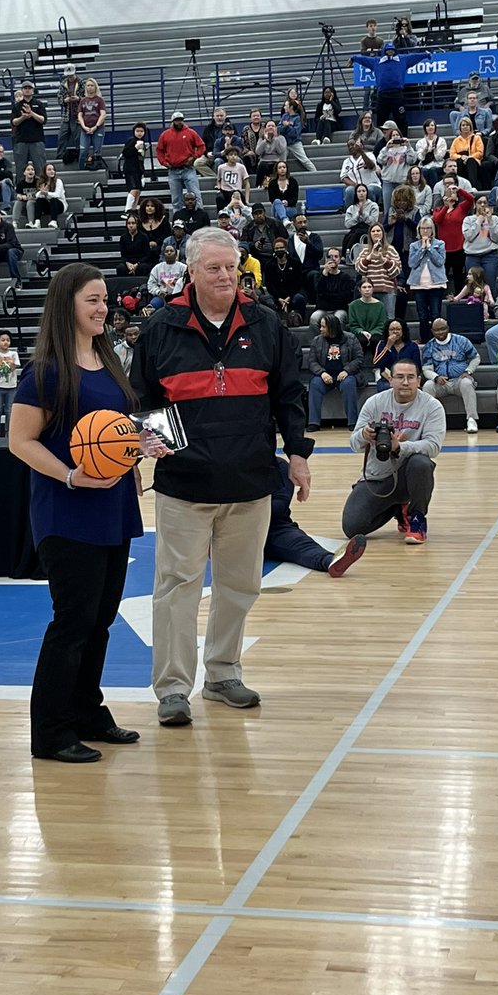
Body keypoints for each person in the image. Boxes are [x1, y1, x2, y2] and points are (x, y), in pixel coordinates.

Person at [130, 227, 313, 727]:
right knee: (176, 587)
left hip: (251, 482)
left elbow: (289, 395)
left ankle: (223, 674)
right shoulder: (160, 329)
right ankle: (172, 688)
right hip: (183, 485)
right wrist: (154, 440)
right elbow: (143, 400)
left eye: (231, 267)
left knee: (239, 585)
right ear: (190, 272)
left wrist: (297, 454)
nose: (226, 276)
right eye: (214, 268)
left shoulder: (266, 324)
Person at [9, 262, 169, 762]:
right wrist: (72, 476)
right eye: (93, 301)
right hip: (67, 510)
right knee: (72, 621)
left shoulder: (110, 360)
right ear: (67, 306)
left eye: (105, 300)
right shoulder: (46, 371)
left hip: (114, 506)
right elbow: (20, 442)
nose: (104, 308)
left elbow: (115, 430)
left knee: (100, 620)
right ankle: (50, 732)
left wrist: (141, 448)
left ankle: (86, 711)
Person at [342, 359, 446, 545]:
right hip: (377, 476)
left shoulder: (432, 406)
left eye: (410, 377)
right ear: (391, 380)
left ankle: (417, 519)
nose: (405, 382)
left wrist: (399, 447)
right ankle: (398, 508)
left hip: (409, 474)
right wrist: (365, 435)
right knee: (352, 527)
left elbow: (433, 447)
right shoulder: (374, 403)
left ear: (419, 380)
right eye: (399, 377)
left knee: (421, 463)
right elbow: (353, 445)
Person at [266, 458, 367, 577]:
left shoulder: (280, 466)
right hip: (240, 528)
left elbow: (280, 506)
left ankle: (332, 561)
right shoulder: (238, 469)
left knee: (301, 544)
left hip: (275, 526)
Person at [421, 316, 481, 434]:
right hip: (441, 382)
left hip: (459, 380)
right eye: (437, 330)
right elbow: (426, 369)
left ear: (448, 328)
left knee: (467, 383)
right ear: (432, 331)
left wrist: (468, 371)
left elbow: (476, 358)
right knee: (427, 386)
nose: (440, 332)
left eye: (443, 329)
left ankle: (472, 419)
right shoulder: (429, 346)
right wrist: (435, 377)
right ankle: (428, 422)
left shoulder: (461, 340)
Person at [306, 313, 365, 431]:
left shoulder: (351, 338)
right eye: (320, 326)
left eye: (323, 327)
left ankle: (352, 421)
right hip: (325, 375)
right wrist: (322, 372)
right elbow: (312, 361)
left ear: (332, 327)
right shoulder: (317, 340)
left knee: (348, 384)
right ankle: (313, 422)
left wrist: (346, 370)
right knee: (315, 383)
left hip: (345, 375)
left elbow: (359, 359)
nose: (321, 329)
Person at [349, 41, 424, 133]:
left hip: (397, 94)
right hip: (382, 95)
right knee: (381, 119)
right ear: (384, 51)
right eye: (388, 50)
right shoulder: (376, 61)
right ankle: (381, 141)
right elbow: (364, 59)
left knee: (401, 118)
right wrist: (353, 58)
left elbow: (415, 57)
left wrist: (426, 55)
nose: (390, 52)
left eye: (392, 50)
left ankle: (403, 139)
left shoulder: (402, 60)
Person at [407, 216, 448, 342]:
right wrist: (422, 249)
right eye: (423, 228)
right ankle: (425, 340)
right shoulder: (414, 245)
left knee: (435, 315)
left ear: (432, 230)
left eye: (428, 228)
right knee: (422, 316)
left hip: (436, 285)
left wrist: (429, 248)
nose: (425, 231)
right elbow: (412, 263)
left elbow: (440, 261)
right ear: (419, 230)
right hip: (419, 285)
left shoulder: (440, 244)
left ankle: (437, 339)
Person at [156, 111, 205, 211]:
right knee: (176, 199)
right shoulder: (165, 135)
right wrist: (164, 163)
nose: (179, 122)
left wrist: (195, 156)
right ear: (173, 121)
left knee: (196, 196)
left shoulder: (191, 132)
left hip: (188, 168)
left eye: (180, 120)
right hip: (173, 170)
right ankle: (177, 221)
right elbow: (159, 150)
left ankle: (200, 217)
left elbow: (201, 146)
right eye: (177, 120)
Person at [432, 178, 473, 292]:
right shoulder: (438, 208)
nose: (451, 193)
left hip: (459, 247)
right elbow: (437, 219)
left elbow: (471, 199)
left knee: (458, 275)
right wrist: (446, 205)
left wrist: (459, 190)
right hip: (443, 249)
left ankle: (459, 297)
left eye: (453, 191)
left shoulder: (461, 207)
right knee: (442, 275)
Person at [354, 224, 402, 319]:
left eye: (378, 231)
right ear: (370, 234)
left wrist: (383, 260)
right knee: (371, 319)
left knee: (389, 319)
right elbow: (359, 270)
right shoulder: (364, 251)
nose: (376, 233)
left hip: (387, 291)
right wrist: (369, 257)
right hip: (369, 292)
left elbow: (396, 271)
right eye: (373, 231)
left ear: (383, 234)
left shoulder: (390, 249)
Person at [262, 235, 307, 326]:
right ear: (274, 250)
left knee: (300, 299)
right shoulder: (269, 265)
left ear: (286, 248)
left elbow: (298, 282)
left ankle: (299, 320)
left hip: (292, 294)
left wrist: (288, 297)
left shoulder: (295, 263)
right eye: (277, 248)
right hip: (276, 296)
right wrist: (279, 298)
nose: (279, 250)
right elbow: (269, 284)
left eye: (281, 247)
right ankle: (273, 324)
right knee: (266, 300)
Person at [462, 194, 498, 285]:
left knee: (490, 285)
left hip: (490, 256)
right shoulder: (468, 220)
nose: (482, 205)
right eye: (479, 202)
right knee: (474, 287)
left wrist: (490, 222)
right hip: (472, 256)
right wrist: (478, 221)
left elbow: (497, 238)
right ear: (474, 205)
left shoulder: (495, 219)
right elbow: (469, 237)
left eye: (485, 203)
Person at [311, 245, 356, 326]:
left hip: (340, 309)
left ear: (339, 259)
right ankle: (318, 339)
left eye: (336, 256)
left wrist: (326, 296)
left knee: (338, 318)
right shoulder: (319, 276)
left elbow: (345, 297)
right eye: (330, 256)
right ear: (326, 259)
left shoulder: (345, 277)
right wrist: (324, 274)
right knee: (314, 318)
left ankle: (340, 338)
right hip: (322, 309)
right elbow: (318, 292)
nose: (333, 259)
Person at [12, 81, 48, 180]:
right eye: (25, 88)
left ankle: (42, 190)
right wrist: (23, 117)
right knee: (20, 169)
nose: (27, 90)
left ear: (33, 90)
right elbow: (14, 122)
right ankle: (20, 192)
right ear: (22, 90)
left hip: (37, 140)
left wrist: (31, 113)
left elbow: (43, 120)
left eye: (29, 88)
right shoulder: (17, 106)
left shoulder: (38, 104)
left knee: (40, 167)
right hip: (21, 140)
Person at [0, 329, 21, 437]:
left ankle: (9, 432)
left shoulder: (14, 354)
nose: (6, 342)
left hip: (11, 387)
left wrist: (10, 362)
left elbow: (13, 368)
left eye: (8, 340)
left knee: (10, 411)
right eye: (3, 340)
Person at [373, 318, 421, 388]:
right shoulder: (382, 344)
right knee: (384, 387)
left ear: (403, 331)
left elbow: (417, 366)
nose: (395, 332)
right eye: (392, 329)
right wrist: (388, 347)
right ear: (387, 331)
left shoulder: (412, 346)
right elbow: (377, 364)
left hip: (407, 377)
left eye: (398, 329)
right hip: (388, 378)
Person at [348, 278, 386, 353]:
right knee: (361, 340)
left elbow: (382, 324)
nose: (367, 289)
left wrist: (371, 333)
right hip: (359, 332)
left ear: (373, 289)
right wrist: (362, 332)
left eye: (369, 287)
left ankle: (377, 363)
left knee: (376, 340)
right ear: (359, 289)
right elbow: (352, 324)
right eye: (364, 287)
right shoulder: (353, 305)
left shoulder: (380, 305)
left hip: (376, 333)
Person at [56, 63, 84, 162]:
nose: (70, 77)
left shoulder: (82, 83)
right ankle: (60, 156)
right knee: (61, 137)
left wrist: (78, 98)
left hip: (78, 116)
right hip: (66, 115)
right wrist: (65, 100)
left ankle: (81, 156)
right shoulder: (63, 84)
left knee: (78, 139)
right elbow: (59, 98)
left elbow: (87, 98)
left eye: (71, 75)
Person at [343, 183, 380, 258]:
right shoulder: (351, 208)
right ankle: (346, 255)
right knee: (348, 236)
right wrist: (357, 215)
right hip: (355, 228)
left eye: (363, 191)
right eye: (359, 191)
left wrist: (364, 214)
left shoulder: (373, 205)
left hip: (368, 228)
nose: (361, 193)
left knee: (358, 232)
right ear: (356, 194)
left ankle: (348, 253)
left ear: (367, 193)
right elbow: (347, 224)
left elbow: (373, 222)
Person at [278, 99, 316, 171]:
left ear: (291, 107)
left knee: (304, 160)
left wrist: (288, 126)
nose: (284, 107)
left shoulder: (297, 118)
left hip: (295, 143)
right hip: (284, 143)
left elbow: (295, 133)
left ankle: (315, 172)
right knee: (281, 162)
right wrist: (286, 126)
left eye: (286, 106)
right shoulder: (284, 116)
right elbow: (279, 130)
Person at [146, 243, 188, 309]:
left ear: (176, 254)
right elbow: (151, 284)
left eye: (171, 251)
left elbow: (187, 283)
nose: (169, 253)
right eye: (166, 251)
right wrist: (158, 292)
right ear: (164, 254)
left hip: (178, 296)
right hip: (161, 296)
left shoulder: (183, 267)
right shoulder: (157, 268)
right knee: (152, 306)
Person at [77, 78, 106, 171]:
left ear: (95, 87)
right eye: (88, 85)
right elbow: (80, 114)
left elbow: (103, 114)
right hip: (85, 129)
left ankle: (95, 169)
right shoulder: (83, 100)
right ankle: (81, 169)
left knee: (97, 151)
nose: (90, 87)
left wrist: (96, 126)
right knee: (83, 150)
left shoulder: (100, 100)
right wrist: (84, 126)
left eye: (92, 85)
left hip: (98, 128)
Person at [121, 122, 151, 211]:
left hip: (138, 169)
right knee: (133, 189)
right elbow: (125, 153)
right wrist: (135, 148)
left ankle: (133, 209)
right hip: (130, 169)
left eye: (141, 131)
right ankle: (127, 209)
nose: (139, 133)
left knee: (138, 191)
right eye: (137, 131)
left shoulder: (143, 142)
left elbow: (141, 158)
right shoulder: (131, 140)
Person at [195, 106, 231, 177]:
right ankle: (215, 178)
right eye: (217, 116)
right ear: (214, 117)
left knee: (219, 160)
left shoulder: (231, 128)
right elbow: (202, 144)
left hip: (227, 153)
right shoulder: (208, 129)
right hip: (211, 154)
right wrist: (207, 153)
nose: (219, 118)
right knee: (197, 163)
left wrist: (226, 151)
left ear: (225, 117)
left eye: (221, 116)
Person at [448, 117, 483, 189]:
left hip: (473, 161)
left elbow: (480, 152)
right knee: (458, 162)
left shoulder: (477, 138)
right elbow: (452, 154)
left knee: (470, 161)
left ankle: (472, 187)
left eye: (467, 125)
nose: (465, 127)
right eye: (463, 125)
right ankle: (459, 185)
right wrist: (461, 157)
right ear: (460, 127)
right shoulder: (456, 140)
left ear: (470, 126)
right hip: (461, 161)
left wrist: (469, 157)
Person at [116, 212, 153, 277]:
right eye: (129, 223)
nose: (131, 225)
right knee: (120, 268)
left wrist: (137, 264)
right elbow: (123, 255)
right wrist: (127, 264)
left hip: (141, 262)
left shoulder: (144, 237)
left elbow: (147, 255)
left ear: (137, 224)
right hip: (128, 262)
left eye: (133, 223)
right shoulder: (123, 238)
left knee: (143, 267)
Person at [413, 119, 448, 187]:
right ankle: (424, 190)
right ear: (425, 128)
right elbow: (420, 158)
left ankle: (434, 191)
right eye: (428, 126)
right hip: (425, 166)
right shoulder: (420, 142)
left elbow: (440, 158)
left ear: (435, 127)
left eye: (432, 125)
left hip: (438, 165)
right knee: (424, 171)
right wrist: (425, 151)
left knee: (432, 170)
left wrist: (435, 150)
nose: (430, 127)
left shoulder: (441, 141)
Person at [254, 120, 289, 187]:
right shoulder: (261, 139)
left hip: (277, 161)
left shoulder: (281, 138)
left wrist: (274, 139)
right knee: (263, 166)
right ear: (265, 129)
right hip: (264, 161)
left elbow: (280, 151)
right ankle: (259, 185)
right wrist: (265, 141)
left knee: (275, 167)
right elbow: (258, 152)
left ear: (276, 128)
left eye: (273, 126)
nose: (271, 127)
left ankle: (270, 184)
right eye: (269, 126)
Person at [359, 18, 383, 111]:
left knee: (377, 90)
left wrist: (371, 51)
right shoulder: (364, 40)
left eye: (374, 26)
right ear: (367, 28)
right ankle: (365, 110)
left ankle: (376, 109)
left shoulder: (380, 40)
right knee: (367, 91)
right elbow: (363, 53)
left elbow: (382, 52)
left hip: (377, 67)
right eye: (371, 26)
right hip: (367, 68)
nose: (373, 28)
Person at [34, 163, 68, 228]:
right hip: (48, 206)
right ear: (45, 172)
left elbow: (57, 195)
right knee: (39, 200)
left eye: (53, 169)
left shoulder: (58, 181)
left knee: (53, 199)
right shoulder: (42, 182)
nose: (52, 171)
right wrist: (41, 192)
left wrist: (47, 193)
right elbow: (37, 195)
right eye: (49, 170)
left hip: (59, 205)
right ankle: (37, 222)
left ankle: (54, 221)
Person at [12, 162, 40, 229]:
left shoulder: (38, 181)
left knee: (30, 202)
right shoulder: (21, 183)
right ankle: (15, 222)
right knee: (18, 202)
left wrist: (27, 197)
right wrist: (18, 196)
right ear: (24, 173)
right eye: (28, 169)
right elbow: (17, 194)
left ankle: (31, 222)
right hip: (25, 206)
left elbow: (40, 194)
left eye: (32, 169)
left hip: (37, 204)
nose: (31, 171)